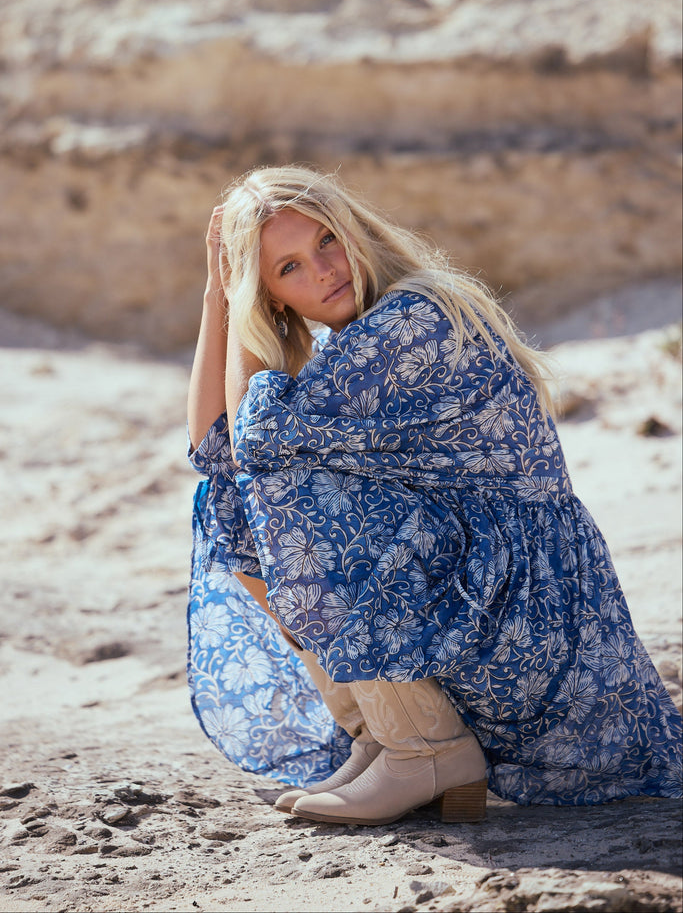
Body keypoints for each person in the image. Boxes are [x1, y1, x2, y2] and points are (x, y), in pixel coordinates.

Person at [186, 165, 682, 827]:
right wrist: (219, 297)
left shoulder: (413, 318)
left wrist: (238, 295)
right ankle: (380, 732)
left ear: (354, 231)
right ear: (272, 296)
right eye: (290, 268)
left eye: (327, 241)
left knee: (290, 486)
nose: (323, 270)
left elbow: (258, 444)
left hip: (532, 622)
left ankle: (424, 747)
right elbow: (215, 452)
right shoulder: (351, 337)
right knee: (231, 503)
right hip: (486, 596)